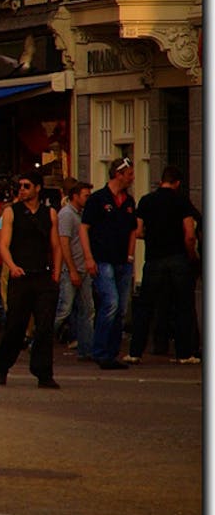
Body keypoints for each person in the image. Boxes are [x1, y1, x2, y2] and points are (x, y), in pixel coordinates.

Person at [0, 169, 63, 389]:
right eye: (20, 186)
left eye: (26, 186)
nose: (22, 190)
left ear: (37, 188)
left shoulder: (49, 213)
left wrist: (56, 274)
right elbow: (3, 244)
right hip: (21, 276)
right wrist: (12, 266)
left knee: (44, 326)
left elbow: (56, 245)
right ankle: (3, 365)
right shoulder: (11, 213)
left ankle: (44, 372)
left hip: (43, 275)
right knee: (15, 324)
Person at [129, 166, 200, 364]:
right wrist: (191, 254)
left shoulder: (146, 200)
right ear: (177, 183)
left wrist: (153, 235)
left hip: (153, 258)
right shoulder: (181, 201)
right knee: (183, 305)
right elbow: (190, 234)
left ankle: (135, 351)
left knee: (145, 306)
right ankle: (185, 353)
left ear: (161, 181)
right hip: (177, 257)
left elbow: (139, 231)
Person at [80, 157, 138, 370]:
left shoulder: (129, 201)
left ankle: (112, 352)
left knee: (121, 308)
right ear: (118, 174)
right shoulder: (97, 199)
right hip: (102, 259)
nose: (132, 178)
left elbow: (133, 229)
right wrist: (88, 257)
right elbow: (84, 228)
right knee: (111, 302)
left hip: (123, 260)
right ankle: (100, 351)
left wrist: (131, 256)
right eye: (129, 174)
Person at [54, 180, 94, 361]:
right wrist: (71, 270)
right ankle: (38, 340)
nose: (88, 199)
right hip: (72, 269)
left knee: (87, 309)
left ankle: (86, 349)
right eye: (86, 195)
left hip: (83, 268)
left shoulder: (82, 214)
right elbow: (64, 243)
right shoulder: (67, 215)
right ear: (75, 196)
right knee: (64, 309)